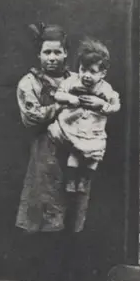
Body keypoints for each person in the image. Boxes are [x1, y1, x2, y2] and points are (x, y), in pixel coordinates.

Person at [15, 23, 88, 281]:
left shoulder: (78, 81)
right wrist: (65, 104)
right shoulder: (29, 83)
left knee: (70, 222)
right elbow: (32, 118)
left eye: (58, 52)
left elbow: (92, 111)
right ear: (39, 55)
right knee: (38, 222)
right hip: (44, 162)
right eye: (47, 52)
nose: (52, 58)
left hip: (75, 159)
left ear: (66, 53)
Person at [49, 38, 121, 194]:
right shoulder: (71, 81)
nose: (86, 75)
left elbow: (116, 106)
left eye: (93, 72)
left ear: (103, 73)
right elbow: (58, 94)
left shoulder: (106, 88)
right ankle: (70, 181)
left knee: (94, 158)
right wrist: (70, 98)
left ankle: (84, 181)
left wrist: (102, 105)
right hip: (74, 125)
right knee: (75, 154)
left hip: (94, 129)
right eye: (83, 70)